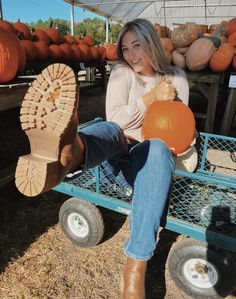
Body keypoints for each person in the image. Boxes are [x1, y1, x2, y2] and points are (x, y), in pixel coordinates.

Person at [15, 18, 194, 299]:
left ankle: (135, 268)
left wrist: (179, 133)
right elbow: (117, 121)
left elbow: (180, 129)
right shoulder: (122, 74)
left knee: (157, 147)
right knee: (111, 129)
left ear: (152, 44)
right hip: (113, 155)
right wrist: (150, 99)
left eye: (138, 45)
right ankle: (67, 155)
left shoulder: (177, 80)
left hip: (148, 166)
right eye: (125, 49)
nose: (132, 55)